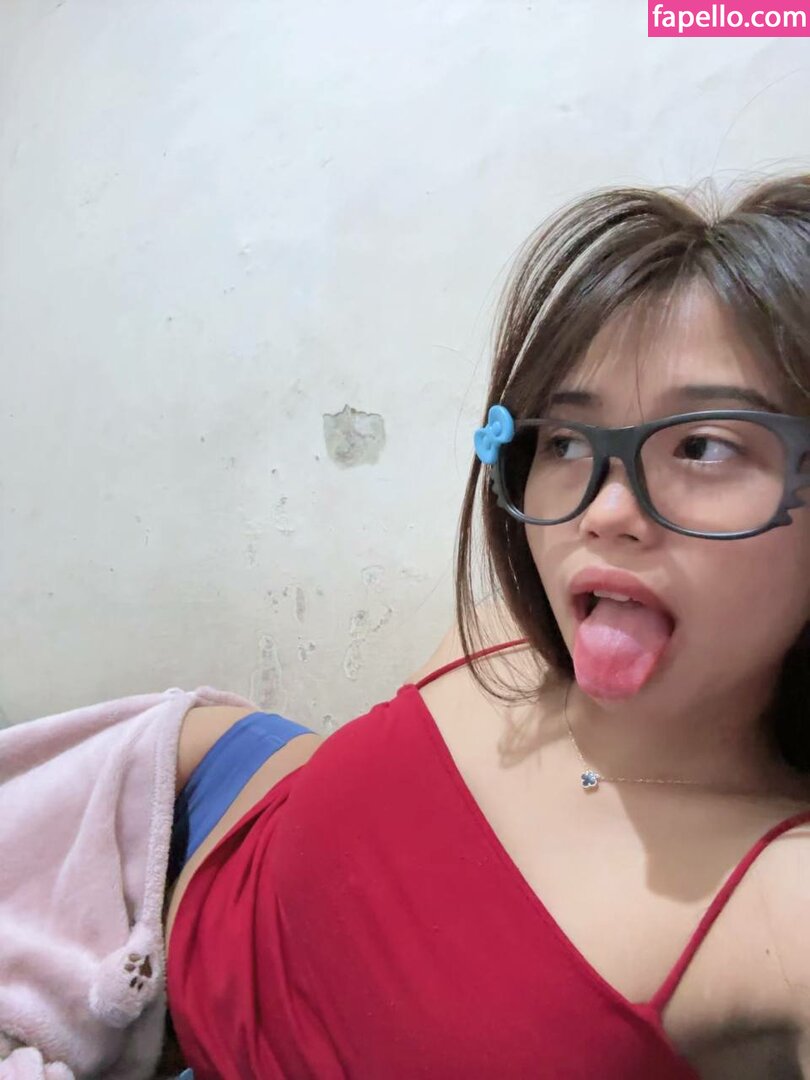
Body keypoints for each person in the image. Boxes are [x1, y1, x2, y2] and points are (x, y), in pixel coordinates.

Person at [161, 173, 810, 1079]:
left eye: (703, 445)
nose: (605, 511)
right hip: (190, 801)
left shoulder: (780, 896)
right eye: (567, 442)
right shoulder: (506, 632)